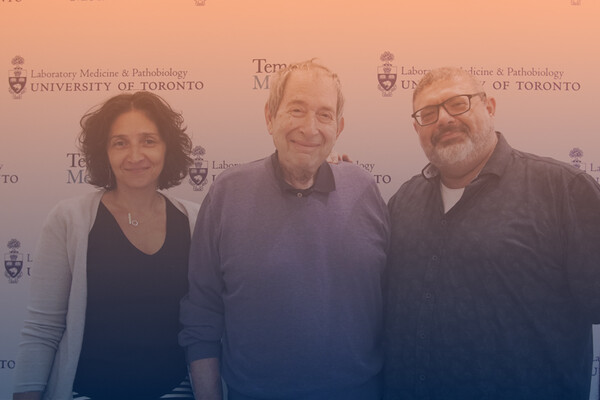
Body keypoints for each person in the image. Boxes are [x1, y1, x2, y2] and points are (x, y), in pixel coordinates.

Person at [383, 66, 600, 400]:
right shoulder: (403, 202)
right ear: (417, 128)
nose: (443, 119)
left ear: (490, 107)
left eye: (458, 103)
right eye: (428, 113)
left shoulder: (562, 191)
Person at [179, 59, 390, 400]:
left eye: (324, 115)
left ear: (339, 126)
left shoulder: (364, 188)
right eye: (296, 110)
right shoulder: (226, 193)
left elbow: (391, 301)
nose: (310, 128)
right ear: (269, 117)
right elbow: (201, 314)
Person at [13, 91, 200, 400]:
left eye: (149, 141)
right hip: (85, 392)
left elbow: (206, 325)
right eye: (120, 142)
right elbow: (42, 328)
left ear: (167, 148)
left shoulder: (195, 220)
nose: (135, 155)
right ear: (105, 152)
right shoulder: (69, 219)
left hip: (175, 391)